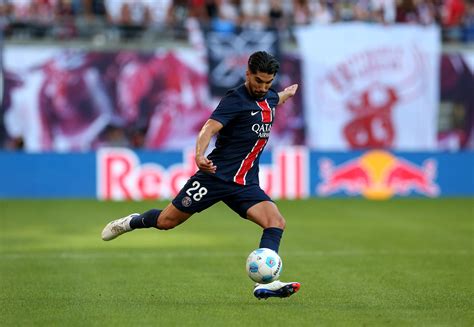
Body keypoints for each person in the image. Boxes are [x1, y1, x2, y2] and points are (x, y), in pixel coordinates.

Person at [101, 51, 300, 299]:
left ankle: (265, 283)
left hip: (244, 183)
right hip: (214, 177)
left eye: (268, 82)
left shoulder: (269, 96)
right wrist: (199, 155)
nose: (262, 87)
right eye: (258, 81)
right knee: (166, 222)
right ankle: (131, 222)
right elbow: (209, 128)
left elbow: (274, 99)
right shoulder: (234, 100)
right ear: (247, 73)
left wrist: (285, 94)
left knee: (276, 222)